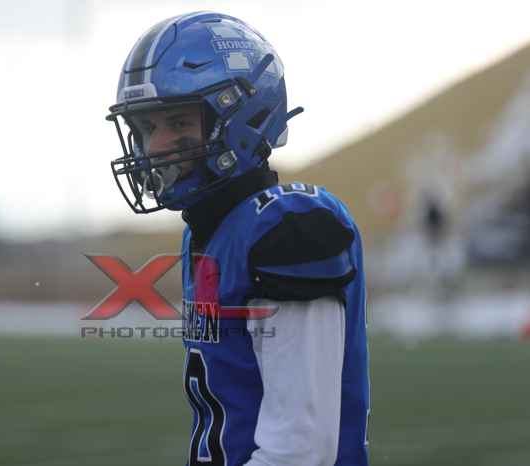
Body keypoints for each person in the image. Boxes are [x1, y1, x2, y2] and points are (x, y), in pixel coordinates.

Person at [107, 12, 369, 466]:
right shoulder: (209, 230)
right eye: (147, 128)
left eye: (178, 124)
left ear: (242, 117)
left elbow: (300, 451)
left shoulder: (289, 228)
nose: (156, 147)